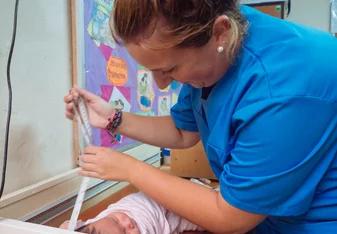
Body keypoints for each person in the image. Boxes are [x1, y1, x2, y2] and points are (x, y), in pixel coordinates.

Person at [64, 1, 337, 233]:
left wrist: (130, 169)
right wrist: (113, 118)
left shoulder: (282, 90)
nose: (160, 85)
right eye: (153, 70)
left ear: (220, 33)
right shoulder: (216, 45)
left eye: (169, 69)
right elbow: (184, 131)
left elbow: (231, 217)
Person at [59, 191, 205, 234]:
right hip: (162, 219)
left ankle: (195, 189)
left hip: (148, 198)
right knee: (195, 217)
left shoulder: (88, 227)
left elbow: (68, 226)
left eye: (116, 220)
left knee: (179, 193)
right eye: (126, 233)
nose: (127, 222)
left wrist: (64, 228)